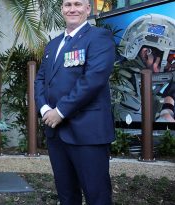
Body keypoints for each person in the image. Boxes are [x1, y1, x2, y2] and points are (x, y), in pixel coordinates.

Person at [34, 0, 116, 204]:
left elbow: (93, 79)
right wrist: (45, 109)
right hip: (57, 134)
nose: (72, 9)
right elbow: (41, 80)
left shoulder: (99, 38)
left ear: (88, 9)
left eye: (78, 4)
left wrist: (59, 111)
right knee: (66, 195)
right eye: (67, 4)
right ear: (61, 9)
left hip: (87, 133)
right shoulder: (53, 45)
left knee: (97, 195)